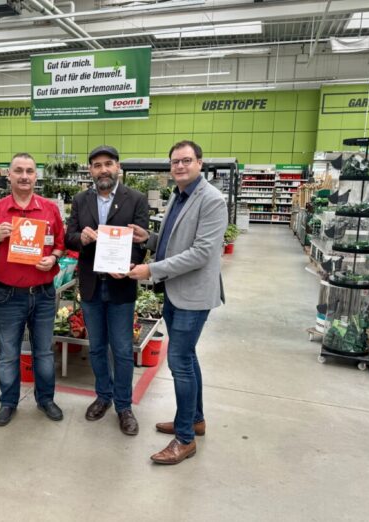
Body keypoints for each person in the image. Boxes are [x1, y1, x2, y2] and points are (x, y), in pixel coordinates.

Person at [128, 140, 227, 465]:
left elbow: (200, 253)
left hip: (193, 295)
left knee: (180, 364)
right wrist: (150, 240)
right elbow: (175, 242)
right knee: (188, 358)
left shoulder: (211, 200)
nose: (180, 166)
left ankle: (184, 438)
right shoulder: (179, 195)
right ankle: (194, 419)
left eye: (186, 161)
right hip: (175, 291)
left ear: (200, 163)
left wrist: (150, 270)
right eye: (175, 162)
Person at [65, 145, 149, 435]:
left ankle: (124, 406)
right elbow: (69, 236)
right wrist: (83, 239)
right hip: (91, 286)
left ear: (118, 167)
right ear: (90, 170)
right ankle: (103, 396)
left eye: (108, 164)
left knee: (123, 350)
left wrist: (130, 263)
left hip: (120, 286)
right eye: (97, 165)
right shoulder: (79, 200)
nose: (103, 169)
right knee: (98, 347)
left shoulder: (135, 199)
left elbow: (140, 241)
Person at [0, 153, 65, 427]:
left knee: (44, 352)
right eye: (19, 171)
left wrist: (53, 258)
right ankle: (8, 402)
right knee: (8, 352)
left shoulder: (50, 209)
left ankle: (46, 399)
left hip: (43, 293)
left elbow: (60, 244)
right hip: (8, 294)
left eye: (29, 171)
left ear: (35, 176)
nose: (24, 176)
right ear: (9, 175)